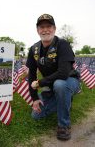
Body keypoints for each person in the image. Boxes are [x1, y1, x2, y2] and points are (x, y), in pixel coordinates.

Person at [26, 13, 80, 141]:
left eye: (49, 26)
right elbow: (32, 74)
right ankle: (65, 100)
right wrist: (34, 98)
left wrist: (40, 83)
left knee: (59, 84)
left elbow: (63, 73)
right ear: (37, 30)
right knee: (36, 115)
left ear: (54, 29)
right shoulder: (33, 49)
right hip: (51, 85)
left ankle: (64, 125)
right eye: (41, 27)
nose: (45, 30)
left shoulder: (62, 44)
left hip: (69, 80)